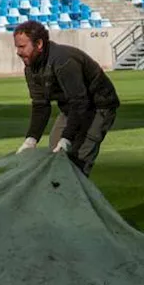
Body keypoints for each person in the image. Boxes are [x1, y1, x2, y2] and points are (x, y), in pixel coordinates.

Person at [12, 20, 119, 176]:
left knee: (78, 162)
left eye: (22, 47)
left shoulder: (64, 61)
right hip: (73, 108)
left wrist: (67, 138)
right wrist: (31, 139)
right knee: (56, 157)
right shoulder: (31, 67)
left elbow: (80, 101)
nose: (18, 52)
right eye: (17, 47)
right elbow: (41, 104)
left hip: (99, 106)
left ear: (39, 44)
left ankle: (79, 198)